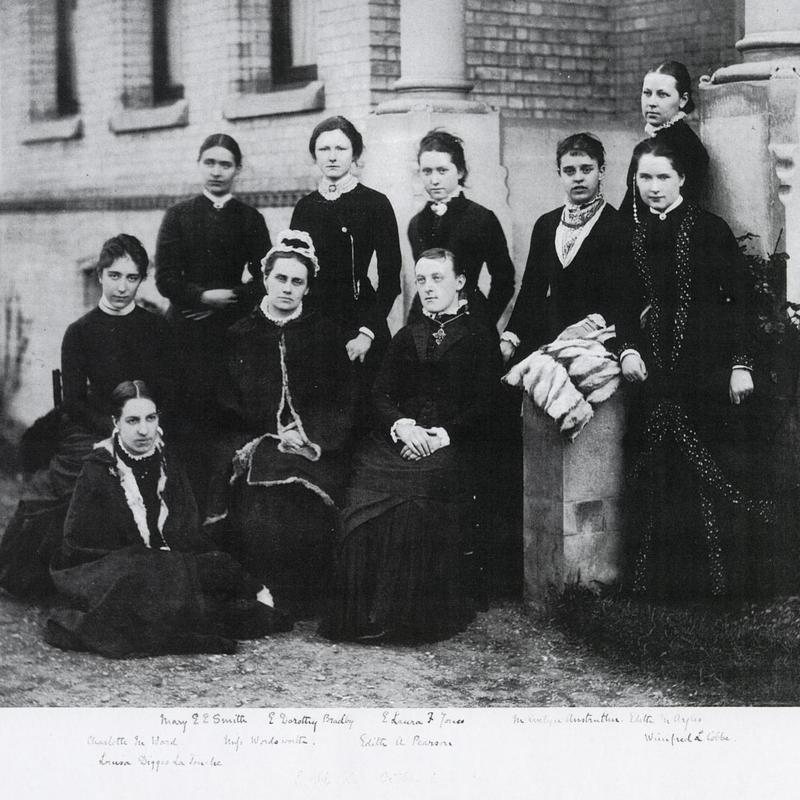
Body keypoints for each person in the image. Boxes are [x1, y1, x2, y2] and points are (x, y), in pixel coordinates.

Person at [617, 137, 771, 600]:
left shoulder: (709, 229)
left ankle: (718, 589)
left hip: (706, 365)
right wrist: (627, 350)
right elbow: (621, 300)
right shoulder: (630, 232)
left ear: (683, 178)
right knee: (658, 469)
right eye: (645, 177)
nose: (653, 187)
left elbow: (741, 302)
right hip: (652, 368)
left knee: (707, 466)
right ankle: (657, 586)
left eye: (663, 177)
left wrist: (741, 365)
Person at [321, 248, 495, 643]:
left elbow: (486, 404)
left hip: (453, 441)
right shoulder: (406, 335)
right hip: (403, 437)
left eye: (437, 278)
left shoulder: (479, 336)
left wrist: (439, 436)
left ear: (460, 282)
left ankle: (405, 618)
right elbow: (381, 393)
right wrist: (403, 425)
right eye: (422, 280)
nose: (429, 288)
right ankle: (361, 614)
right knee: (366, 482)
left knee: (416, 494)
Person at [45, 381, 290, 658]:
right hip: (116, 572)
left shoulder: (166, 460)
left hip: (165, 568)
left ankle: (245, 595)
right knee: (165, 595)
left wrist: (177, 562)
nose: (143, 430)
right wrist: (148, 561)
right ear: (116, 422)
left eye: (151, 418)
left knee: (219, 571)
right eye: (133, 420)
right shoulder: (99, 468)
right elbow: (78, 543)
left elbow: (185, 529)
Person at [0, 234, 173, 598]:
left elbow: (167, 390)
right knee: (66, 484)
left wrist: (145, 427)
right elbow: (74, 401)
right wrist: (112, 433)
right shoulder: (79, 332)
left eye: (131, 277)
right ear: (100, 276)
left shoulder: (156, 328)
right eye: (114, 275)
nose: (122, 286)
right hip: (91, 427)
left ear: (142, 279)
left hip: (145, 425)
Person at [213, 230, 357, 613]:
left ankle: (302, 598)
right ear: (265, 279)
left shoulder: (325, 333)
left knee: (304, 499)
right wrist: (266, 434)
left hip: (314, 446)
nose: (288, 288)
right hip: (255, 442)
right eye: (281, 278)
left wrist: (309, 435)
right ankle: (264, 594)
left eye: (298, 282)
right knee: (260, 499)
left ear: (308, 288)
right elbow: (226, 404)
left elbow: (344, 400)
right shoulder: (239, 334)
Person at [155, 134, 272, 500]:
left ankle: (222, 507)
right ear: (199, 164)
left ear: (237, 169)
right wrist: (202, 296)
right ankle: (183, 506)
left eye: (225, 164)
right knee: (184, 422)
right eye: (210, 163)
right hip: (184, 336)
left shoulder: (250, 219)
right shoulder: (178, 216)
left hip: (229, 335)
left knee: (224, 421)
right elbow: (165, 278)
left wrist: (231, 298)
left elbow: (265, 275)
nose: (217, 172)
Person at [501, 132, 626, 364]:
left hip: (598, 333)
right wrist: (511, 336)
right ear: (559, 175)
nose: (578, 178)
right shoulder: (546, 224)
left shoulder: (617, 225)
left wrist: (590, 325)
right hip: (549, 326)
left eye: (586, 169)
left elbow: (623, 295)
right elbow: (532, 290)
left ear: (602, 172)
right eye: (569, 171)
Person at [290, 116, 401, 375]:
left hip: (360, 321)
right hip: (314, 324)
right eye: (324, 149)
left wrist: (367, 332)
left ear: (355, 154)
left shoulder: (375, 204)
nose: (332, 156)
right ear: (314, 155)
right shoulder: (305, 207)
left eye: (341, 149)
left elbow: (390, 280)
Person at [407, 129, 515, 332]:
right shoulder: (416, 223)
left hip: (470, 321)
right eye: (427, 171)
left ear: (460, 172)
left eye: (442, 170)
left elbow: (504, 280)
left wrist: (484, 323)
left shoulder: (481, 218)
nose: (434, 180)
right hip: (423, 323)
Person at [619, 61, 709, 223]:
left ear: (683, 100)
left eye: (662, 94)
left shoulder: (685, 145)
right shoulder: (656, 141)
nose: (652, 103)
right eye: (647, 93)